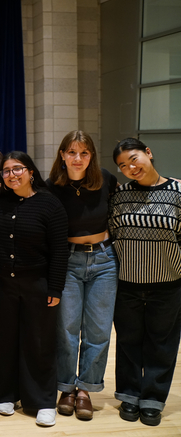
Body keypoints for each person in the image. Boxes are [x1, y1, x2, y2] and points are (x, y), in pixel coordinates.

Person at [0, 151, 69, 427]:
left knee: (39, 342)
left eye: (17, 169)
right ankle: (6, 393)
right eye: (6, 171)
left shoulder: (49, 204)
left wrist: (55, 287)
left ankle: (42, 401)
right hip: (3, 285)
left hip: (38, 285)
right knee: (4, 340)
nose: (12, 175)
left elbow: (59, 251)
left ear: (31, 171)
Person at [47, 131, 119, 421]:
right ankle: (66, 387)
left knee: (99, 330)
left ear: (91, 156)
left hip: (104, 259)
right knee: (66, 330)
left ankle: (86, 389)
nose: (78, 159)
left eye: (84, 153)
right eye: (72, 152)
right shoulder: (51, 187)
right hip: (69, 260)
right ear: (62, 155)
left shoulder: (106, 180)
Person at [109, 138, 181, 427]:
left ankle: (152, 399)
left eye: (134, 158)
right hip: (126, 283)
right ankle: (128, 394)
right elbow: (112, 231)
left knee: (161, 345)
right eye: (123, 165)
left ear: (148, 153)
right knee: (128, 342)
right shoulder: (120, 194)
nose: (130, 167)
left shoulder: (178, 191)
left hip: (169, 283)